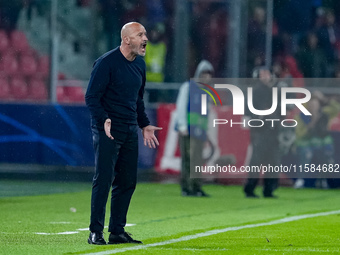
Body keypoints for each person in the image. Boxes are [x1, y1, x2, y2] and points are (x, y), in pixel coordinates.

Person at [85, 22, 162, 245]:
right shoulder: (105, 63)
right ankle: (95, 232)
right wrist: (104, 119)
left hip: (129, 129)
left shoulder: (139, 65)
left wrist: (144, 124)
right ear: (127, 40)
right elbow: (91, 97)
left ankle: (117, 231)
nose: (146, 38)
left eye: (145, 33)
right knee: (104, 179)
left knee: (127, 182)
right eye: (140, 34)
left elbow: (137, 99)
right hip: (107, 130)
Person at [174, 60, 214, 197]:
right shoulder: (187, 87)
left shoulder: (206, 92)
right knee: (188, 159)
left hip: (199, 131)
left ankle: (197, 186)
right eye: (205, 73)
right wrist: (183, 126)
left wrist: (205, 131)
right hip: (188, 130)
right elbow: (181, 107)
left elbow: (204, 113)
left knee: (197, 160)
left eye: (209, 74)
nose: (207, 77)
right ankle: (186, 187)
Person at [243, 67, 280, 198]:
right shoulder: (256, 91)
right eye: (262, 74)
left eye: (267, 74)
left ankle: (267, 189)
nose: (265, 77)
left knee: (271, 161)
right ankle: (252, 188)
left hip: (271, 131)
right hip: (261, 131)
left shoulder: (274, 90)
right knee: (258, 161)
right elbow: (248, 112)